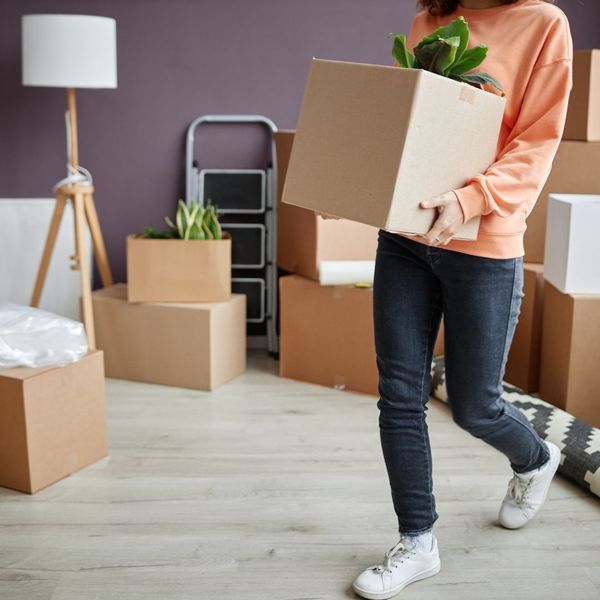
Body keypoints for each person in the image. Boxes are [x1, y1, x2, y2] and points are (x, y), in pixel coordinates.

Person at [349, 0, 573, 598]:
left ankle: (534, 459)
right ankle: (417, 542)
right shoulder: (430, 18)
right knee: (399, 394)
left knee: (477, 407)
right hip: (404, 237)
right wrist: (352, 181)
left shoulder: (543, 23)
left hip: (486, 242)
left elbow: (537, 142)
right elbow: (408, 123)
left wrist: (470, 200)